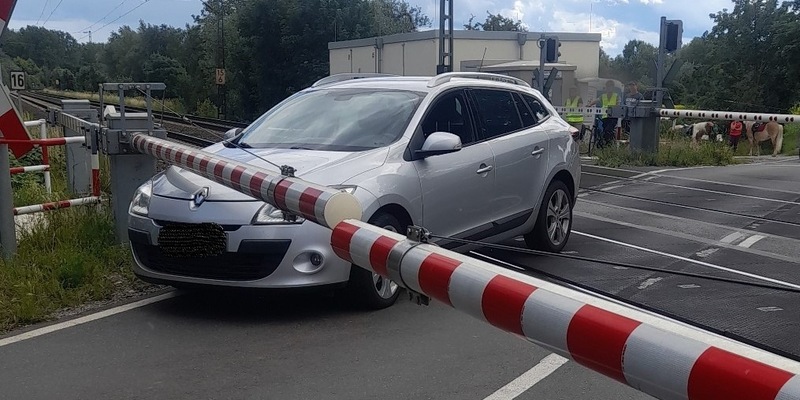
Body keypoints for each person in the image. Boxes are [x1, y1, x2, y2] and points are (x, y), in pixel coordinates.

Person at [588, 80, 620, 145]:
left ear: (613, 87)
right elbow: (596, 100)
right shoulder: (603, 96)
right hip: (605, 117)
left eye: (611, 86)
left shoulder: (616, 96)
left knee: (608, 130)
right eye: (608, 86)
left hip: (613, 117)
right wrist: (590, 104)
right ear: (606, 87)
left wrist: (616, 107)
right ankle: (607, 145)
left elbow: (618, 104)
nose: (609, 88)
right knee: (606, 131)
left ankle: (609, 144)